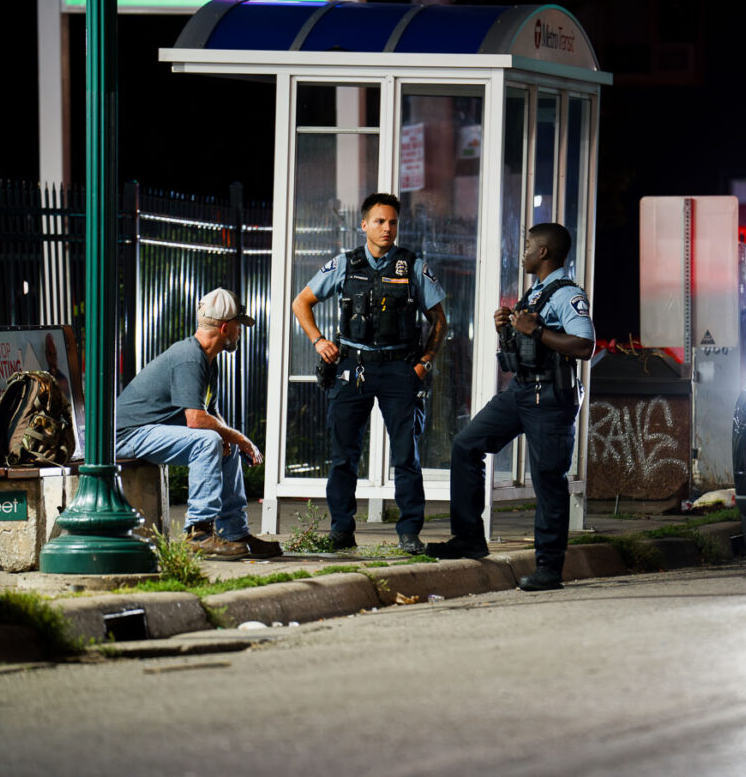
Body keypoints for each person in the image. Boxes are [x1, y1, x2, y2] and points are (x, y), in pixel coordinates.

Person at [427, 222, 594, 591]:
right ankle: (469, 538)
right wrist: (506, 327)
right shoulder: (535, 293)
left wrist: (536, 331)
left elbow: (584, 347)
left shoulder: (568, 295)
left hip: (551, 399)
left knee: (549, 481)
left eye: (529, 245)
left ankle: (549, 568)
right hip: (520, 392)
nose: (524, 251)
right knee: (466, 445)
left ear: (544, 253)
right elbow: (524, 345)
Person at [291, 192, 447, 554]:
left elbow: (439, 320)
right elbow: (302, 302)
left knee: (406, 456)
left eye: (393, 222)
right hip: (352, 368)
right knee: (344, 456)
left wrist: (425, 362)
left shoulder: (413, 266)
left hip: (399, 369)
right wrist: (318, 341)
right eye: (379, 221)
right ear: (364, 225)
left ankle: (409, 532)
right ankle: (341, 531)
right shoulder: (345, 264)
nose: (387, 228)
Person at [116, 288, 280, 559]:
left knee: (223, 440)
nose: (240, 331)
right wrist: (240, 437)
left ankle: (234, 532)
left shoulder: (207, 360)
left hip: (149, 430)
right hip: (127, 435)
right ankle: (198, 533)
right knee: (210, 440)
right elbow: (196, 420)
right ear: (226, 327)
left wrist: (235, 440)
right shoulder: (189, 357)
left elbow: (211, 415)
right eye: (239, 325)